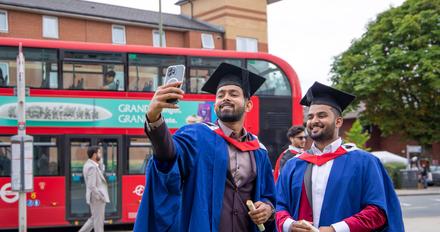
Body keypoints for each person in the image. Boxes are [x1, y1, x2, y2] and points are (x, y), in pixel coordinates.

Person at [134, 63, 277, 232]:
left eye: (233, 94)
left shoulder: (258, 150)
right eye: (220, 95)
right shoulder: (197, 136)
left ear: (248, 105)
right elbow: (169, 156)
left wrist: (268, 209)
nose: (225, 98)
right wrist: (154, 118)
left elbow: (268, 195)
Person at [276, 82, 404, 232]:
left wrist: (336, 229)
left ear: (338, 121)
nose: (314, 120)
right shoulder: (294, 165)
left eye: (322, 115)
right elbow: (279, 206)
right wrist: (290, 225)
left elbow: (378, 211)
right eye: (310, 116)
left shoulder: (365, 162)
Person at [79, 146, 110, 232]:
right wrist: (100, 196)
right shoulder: (91, 167)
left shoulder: (91, 165)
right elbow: (92, 185)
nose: (101, 155)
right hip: (97, 198)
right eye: (99, 153)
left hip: (95, 197)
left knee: (94, 219)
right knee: (98, 223)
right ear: (94, 155)